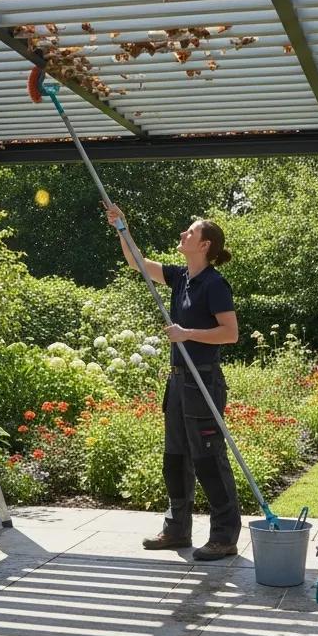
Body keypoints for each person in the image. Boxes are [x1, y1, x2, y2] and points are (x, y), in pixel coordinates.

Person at [104, 204, 241, 561]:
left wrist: (187, 334)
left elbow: (230, 333)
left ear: (205, 245)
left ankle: (224, 537)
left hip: (204, 382)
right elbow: (137, 262)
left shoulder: (214, 284)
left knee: (209, 460)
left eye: (190, 232)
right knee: (175, 458)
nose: (183, 234)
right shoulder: (182, 277)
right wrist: (122, 226)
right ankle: (177, 530)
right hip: (178, 382)